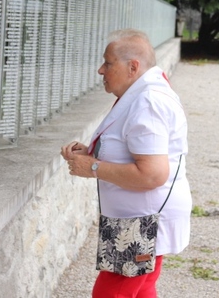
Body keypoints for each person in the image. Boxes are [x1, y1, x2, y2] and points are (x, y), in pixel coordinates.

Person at [61, 29, 191, 298]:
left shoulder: (147, 102)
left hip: (142, 222)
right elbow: (135, 149)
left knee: (112, 292)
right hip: (141, 219)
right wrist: (92, 153)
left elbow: (152, 175)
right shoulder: (143, 95)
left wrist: (93, 168)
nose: (101, 70)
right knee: (143, 290)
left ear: (133, 67)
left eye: (108, 63)